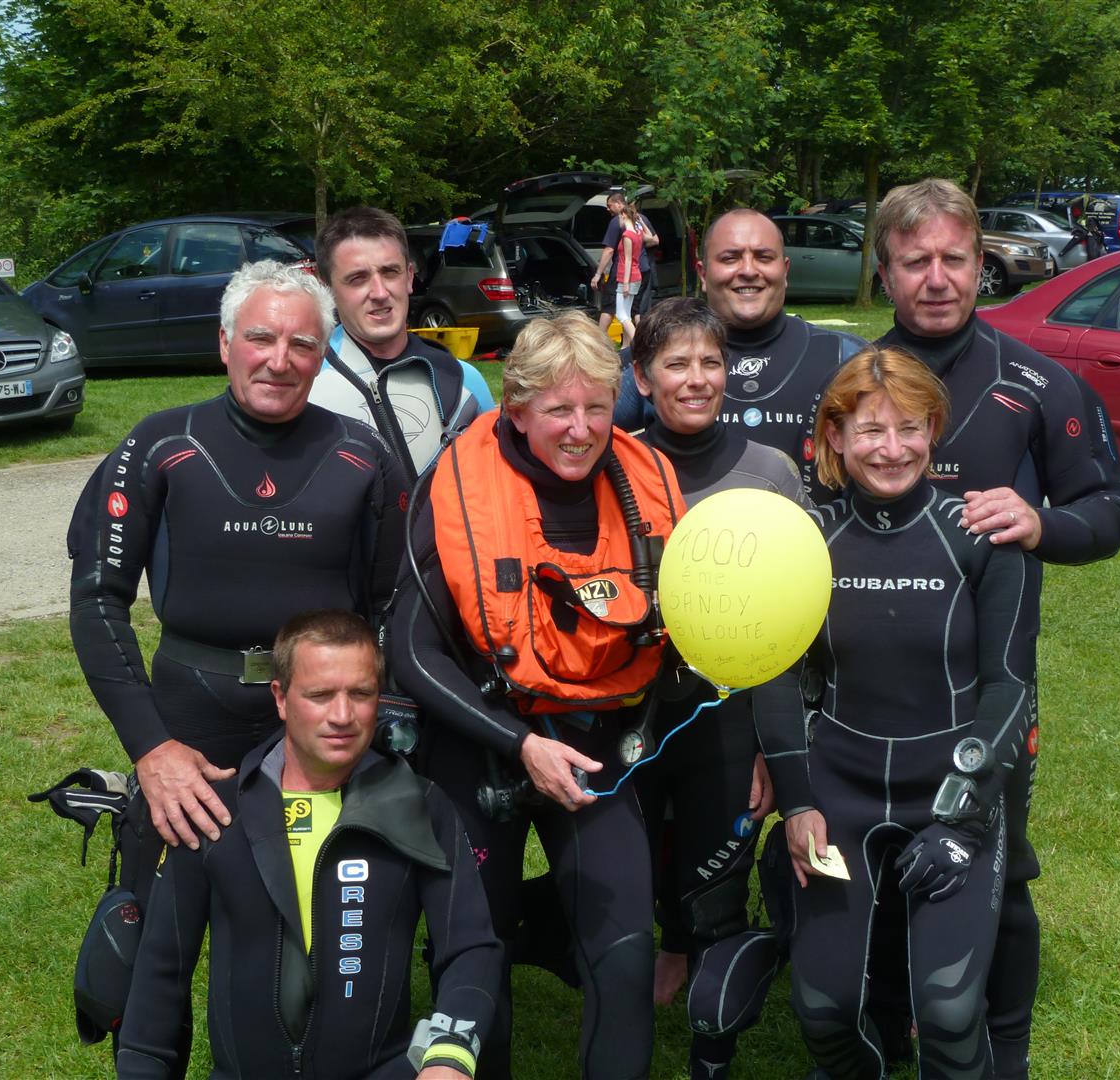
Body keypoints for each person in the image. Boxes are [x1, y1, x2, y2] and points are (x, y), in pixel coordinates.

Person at [799, 178, 1120, 1080]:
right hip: (866, 680)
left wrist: (1042, 525)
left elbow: (1108, 509)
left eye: (955, 259)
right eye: (916, 262)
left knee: (1000, 861)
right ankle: (888, 1024)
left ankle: (1005, 1046)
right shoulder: (851, 388)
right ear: (885, 272)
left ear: (982, 265)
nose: (937, 278)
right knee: (875, 871)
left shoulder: (1036, 382)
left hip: (985, 677)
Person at [67, 258, 408, 937]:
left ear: (322, 355)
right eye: (260, 338)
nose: (279, 360)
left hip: (319, 720)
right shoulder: (160, 443)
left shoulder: (364, 454)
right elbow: (98, 598)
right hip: (189, 719)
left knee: (315, 926)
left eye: (302, 344)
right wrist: (151, 748)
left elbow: (392, 608)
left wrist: (379, 724)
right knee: (149, 929)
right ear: (225, 343)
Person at [392, 310, 686, 1079]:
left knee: (624, 961)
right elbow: (409, 651)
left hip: (593, 746)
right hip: (479, 744)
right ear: (516, 409)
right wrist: (517, 743)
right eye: (558, 409)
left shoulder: (646, 478)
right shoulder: (454, 485)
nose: (581, 429)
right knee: (474, 962)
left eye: (596, 407)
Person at [786, 346, 1035, 1080]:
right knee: (823, 1013)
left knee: (952, 1016)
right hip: (840, 794)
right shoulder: (808, 541)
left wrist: (961, 822)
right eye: (869, 430)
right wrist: (797, 801)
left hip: (950, 793)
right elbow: (774, 681)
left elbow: (1010, 688)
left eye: (908, 428)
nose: (890, 449)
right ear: (835, 436)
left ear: (934, 428)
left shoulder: (985, 535)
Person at [116, 610, 502, 1079]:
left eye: (360, 694)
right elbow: (161, 973)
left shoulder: (418, 807)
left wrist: (450, 1057)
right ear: (280, 698)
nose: (342, 716)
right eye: (320, 695)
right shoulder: (217, 814)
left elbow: (471, 947)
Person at [626, 299, 811, 1079]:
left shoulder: (770, 472)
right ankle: (650, 962)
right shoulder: (617, 461)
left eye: (710, 363)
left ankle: (713, 1048)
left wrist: (778, 741)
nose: (696, 380)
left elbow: (798, 619)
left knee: (716, 885)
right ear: (642, 377)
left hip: (732, 717)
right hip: (631, 712)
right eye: (676, 364)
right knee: (630, 875)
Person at [614, 208, 865, 447]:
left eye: (763, 257)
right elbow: (583, 433)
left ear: (785, 270)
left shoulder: (845, 357)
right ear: (703, 274)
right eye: (730, 258)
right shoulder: (649, 357)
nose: (748, 271)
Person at [310, 206, 483, 479]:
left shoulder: (464, 381)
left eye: (390, 272)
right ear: (327, 288)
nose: (380, 293)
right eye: (358, 278)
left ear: (409, 277)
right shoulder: (306, 384)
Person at [591, 190, 630, 336]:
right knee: (629, 310)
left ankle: (599, 341)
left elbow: (608, 251)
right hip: (637, 271)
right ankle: (629, 348)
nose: (607, 209)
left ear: (619, 204)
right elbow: (653, 240)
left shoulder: (616, 222)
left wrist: (597, 274)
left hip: (620, 271)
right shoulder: (638, 220)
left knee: (609, 306)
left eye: (609, 205)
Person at [615, 201, 646, 345]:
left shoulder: (627, 235)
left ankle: (639, 344)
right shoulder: (638, 232)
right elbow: (650, 235)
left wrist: (625, 283)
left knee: (621, 315)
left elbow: (627, 260)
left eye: (619, 217)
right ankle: (625, 349)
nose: (619, 220)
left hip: (627, 277)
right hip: (636, 275)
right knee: (627, 314)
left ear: (624, 215)